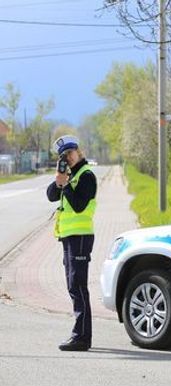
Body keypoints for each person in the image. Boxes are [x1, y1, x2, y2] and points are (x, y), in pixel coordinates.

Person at [46, 135, 97, 351]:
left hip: (81, 237)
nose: (68, 157)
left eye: (71, 152)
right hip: (69, 238)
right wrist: (59, 180)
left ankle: (82, 338)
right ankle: (80, 334)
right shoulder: (71, 175)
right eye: (64, 156)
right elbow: (50, 195)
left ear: (79, 151)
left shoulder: (86, 176)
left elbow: (78, 205)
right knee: (72, 286)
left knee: (78, 286)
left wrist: (65, 184)